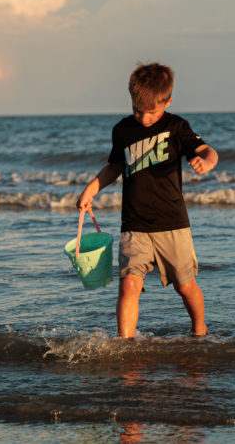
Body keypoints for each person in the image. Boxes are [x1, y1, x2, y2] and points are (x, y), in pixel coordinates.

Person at [76, 62, 218, 338]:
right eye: (136, 110)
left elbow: (206, 150)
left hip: (172, 224)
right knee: (128, 284)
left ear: (167, 102)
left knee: (185, 285)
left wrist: (207, 162)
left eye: (150, 112)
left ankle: (200, 332)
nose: (142, 118)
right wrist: (91, 190)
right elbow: (115, 166)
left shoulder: (176, 126)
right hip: (134, 225)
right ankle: (125, 344)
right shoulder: (122, 130)